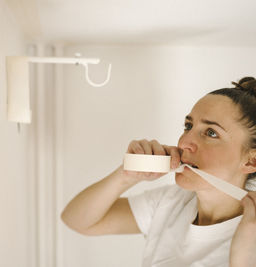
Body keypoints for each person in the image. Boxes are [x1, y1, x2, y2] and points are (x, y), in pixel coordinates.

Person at [61, 77, 256, 267]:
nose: (184, 142)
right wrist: (127, 175)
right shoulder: (171, 202)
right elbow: (77, 221)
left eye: (211, 133)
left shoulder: (251, 235)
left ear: (251, 160)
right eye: (188, 126)